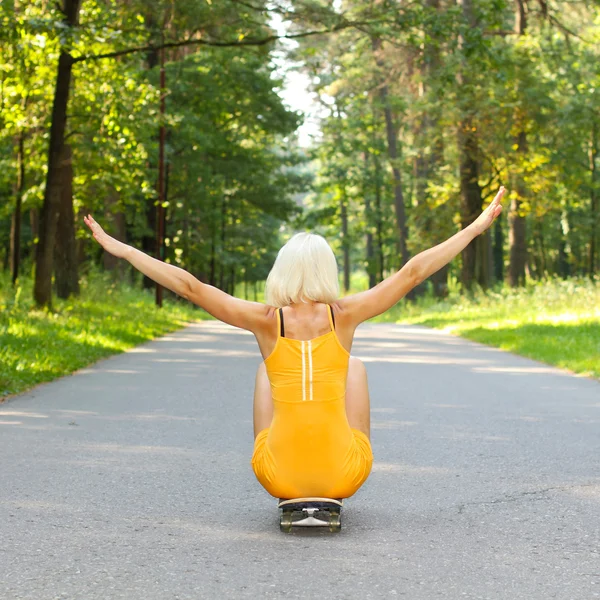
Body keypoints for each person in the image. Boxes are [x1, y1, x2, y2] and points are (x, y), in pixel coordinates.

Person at [84, 186, 505, 500]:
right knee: (353, 366)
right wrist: (475, 227)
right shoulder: (344, 315)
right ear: (327, 271)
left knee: (267, 371)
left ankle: (293, 476)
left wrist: (125, 251)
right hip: (343, 478)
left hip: (278, 478)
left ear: (281, 272)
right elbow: (413, 273)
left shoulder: (266, 322)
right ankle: (329, 471)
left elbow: (191, 287)